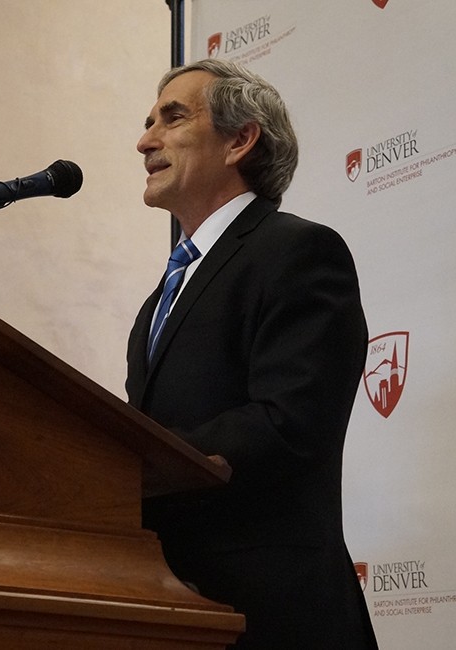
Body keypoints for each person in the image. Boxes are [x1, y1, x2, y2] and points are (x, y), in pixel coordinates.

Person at [126, 58, 378, 649]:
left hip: (272, 612)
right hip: (171, 608)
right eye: (147, 122)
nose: (144, 140)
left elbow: (288, 422)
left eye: (172, 118)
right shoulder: (156, 303)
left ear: (240, 140)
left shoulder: (298, 251)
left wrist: (125, 465)